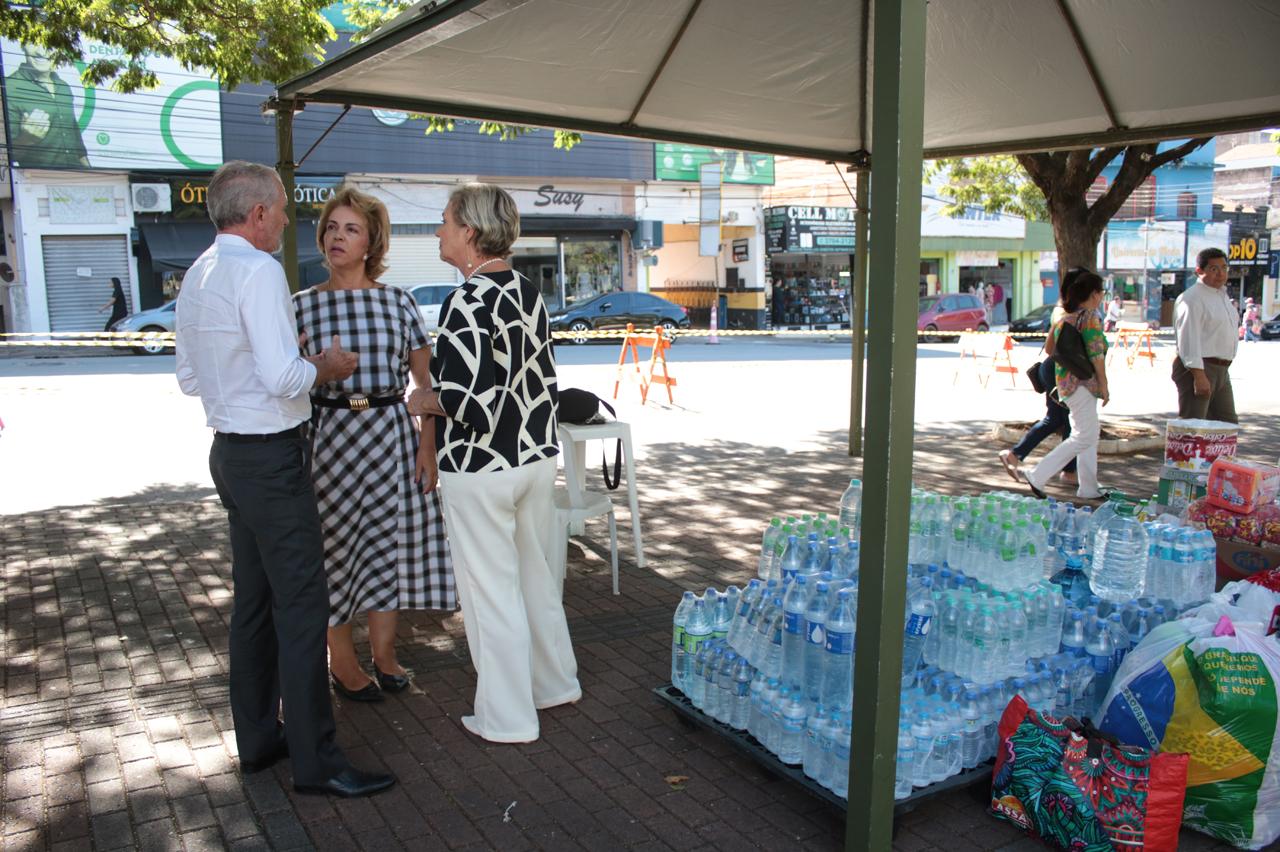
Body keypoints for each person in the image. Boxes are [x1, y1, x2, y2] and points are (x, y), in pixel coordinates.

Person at [175, 161, 394, 798]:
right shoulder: (259, 269)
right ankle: (318, 761)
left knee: (254, 604)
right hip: (271, 455)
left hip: (229, 453)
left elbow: (190, 377)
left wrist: (274, 367)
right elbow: (283, 379)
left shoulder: (198, 272)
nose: (286, 225)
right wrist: (320, 367)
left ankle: (258, 740)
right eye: (281, 211)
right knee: (303, 606)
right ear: (261, 213)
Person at [407, 183, 578, 743]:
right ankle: (554, 685)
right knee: (534, 580)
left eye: (445, 221)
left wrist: (421, 400)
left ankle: (507, 718)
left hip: (481, 466)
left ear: (470, 233)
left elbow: (464, 401)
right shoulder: (528, 290)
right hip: (532, 455)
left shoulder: (468, 299)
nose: (438, 231)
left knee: (490, 595)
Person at [292, 186, 455, 702]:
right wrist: (319, 373)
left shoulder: (397, 300)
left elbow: (424, 387)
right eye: (332, 228)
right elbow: (285, 381)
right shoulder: (298, 307)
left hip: (389, 434)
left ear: (371, 243)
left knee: (385, 547)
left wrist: (426, 447)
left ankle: (384, 656)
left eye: (351, 229)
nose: (337, 237)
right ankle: (342, 662)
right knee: (334, 551)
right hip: (329, 439)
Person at [1014, 268, 1110, 501]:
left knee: (1087, 433)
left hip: (1066, 384)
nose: (1102, 296)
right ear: (1094, 294)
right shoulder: (1090, 318)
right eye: (1101, 292)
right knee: (1084, 436)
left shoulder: (1064, 318)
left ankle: (1088, 487)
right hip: (1084, 385)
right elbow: (1097, 355)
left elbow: (1049, 349)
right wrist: (1104, 385)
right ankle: (1037, 474)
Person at [998, 306, 1078, 486]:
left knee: (1056, 419)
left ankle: (1015, 455)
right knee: (1069, 422)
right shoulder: (1071, 313)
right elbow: (1052, 348)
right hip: (1058, 373)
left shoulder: (1063, 310)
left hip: (1052, 370)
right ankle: (1068, 471)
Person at [1172, 248, 1238, 424]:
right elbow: (1188, 339)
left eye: (1224, 268)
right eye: (1214, 269)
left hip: (1222, 370)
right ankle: (1189, 453)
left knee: (1226, 425)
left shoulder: (1222, 296)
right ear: (1199, 271)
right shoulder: (1192, 298)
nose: (1221, 274)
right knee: (1194, 427)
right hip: (1199, 368)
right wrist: (1199, 376)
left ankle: (1216, 454)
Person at [4, 43, 89, 168]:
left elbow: (77, 144)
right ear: (23, 46)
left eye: (48, 43)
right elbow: (6, 156)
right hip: (38, 181)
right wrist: (27, 139)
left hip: (78, 178)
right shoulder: (9, 88)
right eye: (33, 42)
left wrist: (92, 174)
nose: (41, 51)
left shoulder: (64, 87)